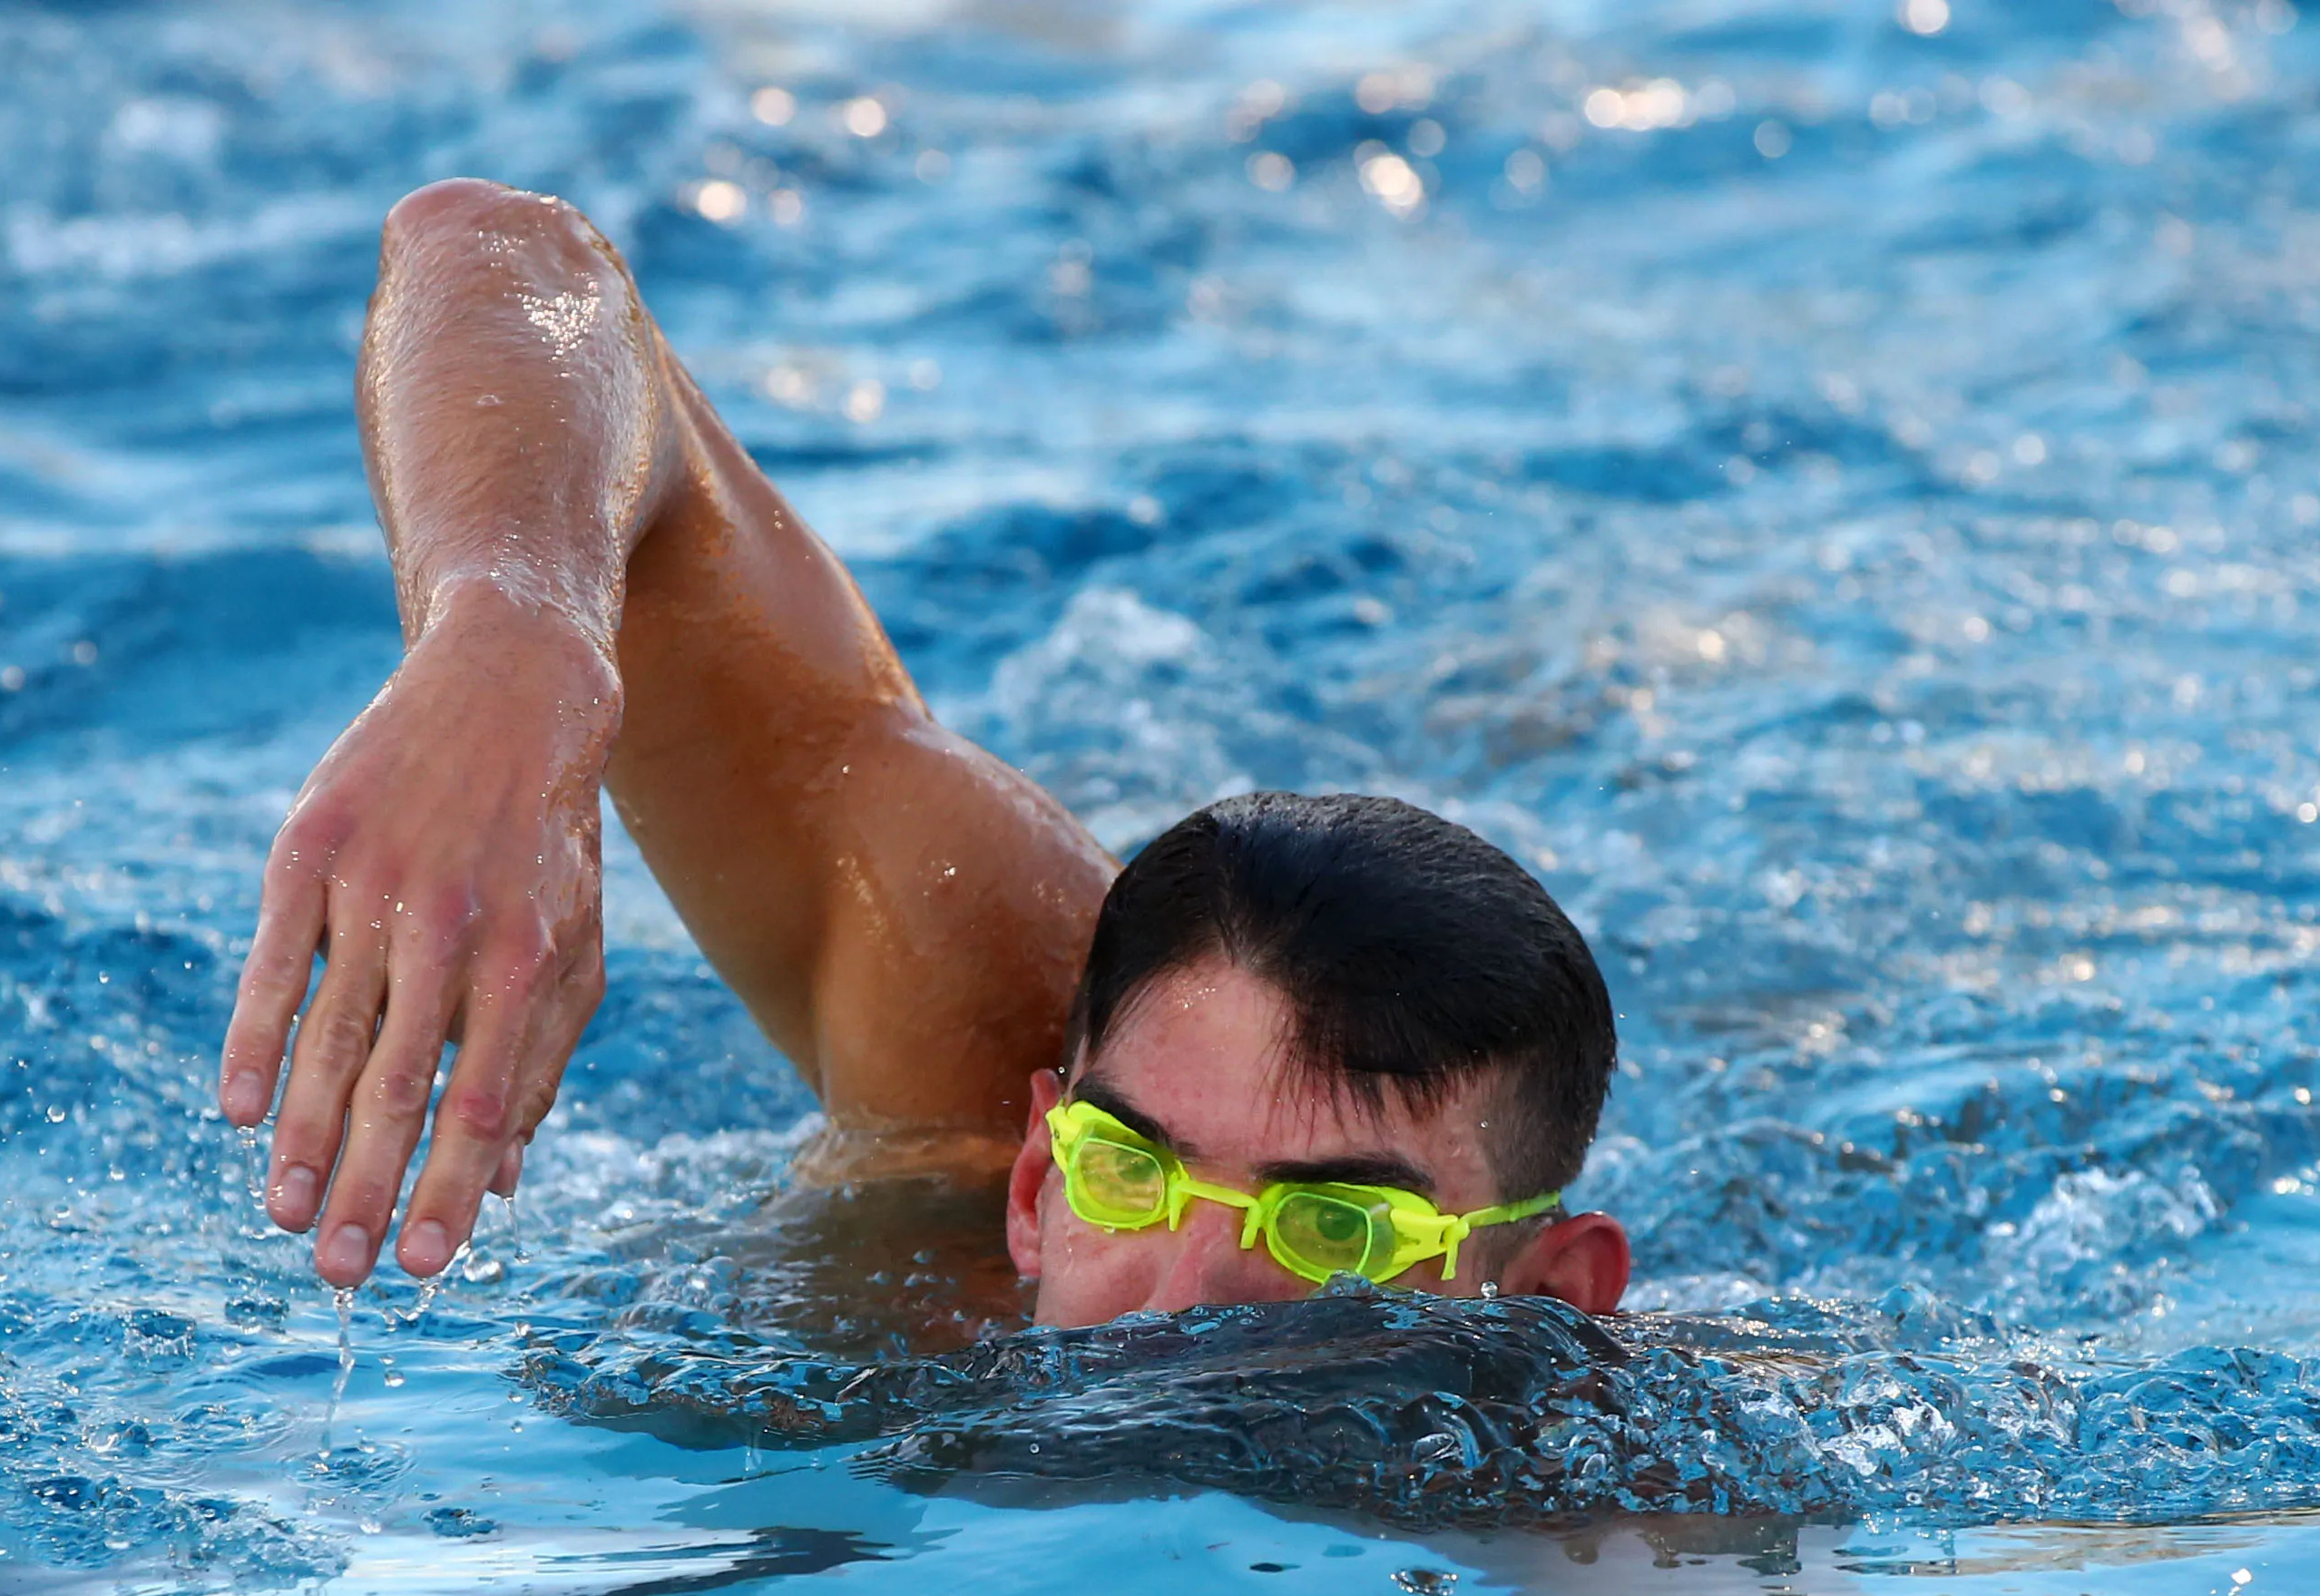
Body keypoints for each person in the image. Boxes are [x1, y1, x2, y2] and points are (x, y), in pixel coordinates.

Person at [218, 178, 1630, 1326]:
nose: (1182, 1304)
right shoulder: (964, 1034)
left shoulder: (1629, 1505)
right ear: (1032, 1181)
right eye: (1127, 1174)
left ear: (1556, 1295)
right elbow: (498, 255)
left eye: (1337, 1231)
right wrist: (516, 634)